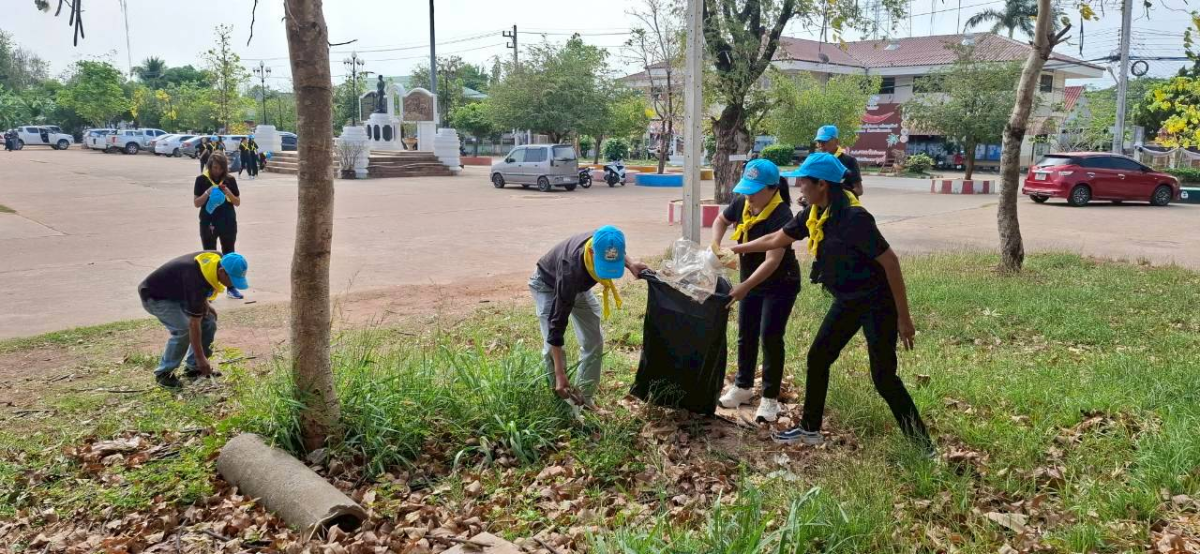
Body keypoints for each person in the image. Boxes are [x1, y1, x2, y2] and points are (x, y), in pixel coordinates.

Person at [734, 152, 933, 453]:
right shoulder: (814, 213)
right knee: (818, 357)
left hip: (876, 303)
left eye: (804, 182)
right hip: (847, 301)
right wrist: (735, 248)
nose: (799, 187)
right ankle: (810, 430)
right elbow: (777, 239)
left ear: (822, 185)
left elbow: (891, 263)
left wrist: (904, 319)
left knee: (883, 377)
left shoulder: (855, 219)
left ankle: (923, 445)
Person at [711, 159, 802, 423]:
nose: (748, 196)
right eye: (746, 190)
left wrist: (744, 287)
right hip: (749, 278)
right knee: (745, 333)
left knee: (770, 337)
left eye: (753, 191)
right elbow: (720, 219)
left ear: (772, 188)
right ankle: (742, 387)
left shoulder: (782, 215)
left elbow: (772, 260)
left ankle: (770, 399)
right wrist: (716, 244)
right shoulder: (744, 203)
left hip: (780, 283)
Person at [530, 226, 649, 405]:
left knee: (594, 339)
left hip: (579, 288)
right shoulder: (570, 270)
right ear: (592, 252)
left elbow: (615, 251)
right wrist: (560, 374)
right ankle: (561, 399)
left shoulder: (606, 240)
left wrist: (631, 264)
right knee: (552, 348)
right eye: (604, 265)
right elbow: (557, 326)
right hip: (547, 284)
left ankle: (584, 400)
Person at [138, 251, 249, 389]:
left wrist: (205, 304)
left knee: (208, 321)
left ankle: (193, 369)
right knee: (183, 329)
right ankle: (164, 373)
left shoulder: (219, 259)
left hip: (179, 292)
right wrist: (200, 358)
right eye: (232, 279)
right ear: (222, 272)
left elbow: (202, 281)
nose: (232, 285)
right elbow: (193, 324)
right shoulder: (196, 282)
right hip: (155, 296)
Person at [193, 152, 244, 299]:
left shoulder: (229, 180)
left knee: (229, 254)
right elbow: (197, 203)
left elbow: (237, 202)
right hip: (208, 222)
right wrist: (208, 192)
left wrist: (228, 192)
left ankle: (231, 287)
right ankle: (210, 287)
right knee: (210, 255)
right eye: (215, 167)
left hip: (227, 222)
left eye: (221, 168)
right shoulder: (201, 180)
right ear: (210, 166)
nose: (217, 171)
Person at [814, 125, 864, 197]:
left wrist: (838, 197)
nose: (821, 144)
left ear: (837, 141)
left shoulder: (849, 161)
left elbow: (859, 190)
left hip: (843, 206)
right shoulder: (817, 161)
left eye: (825, 141)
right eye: (819, 141)